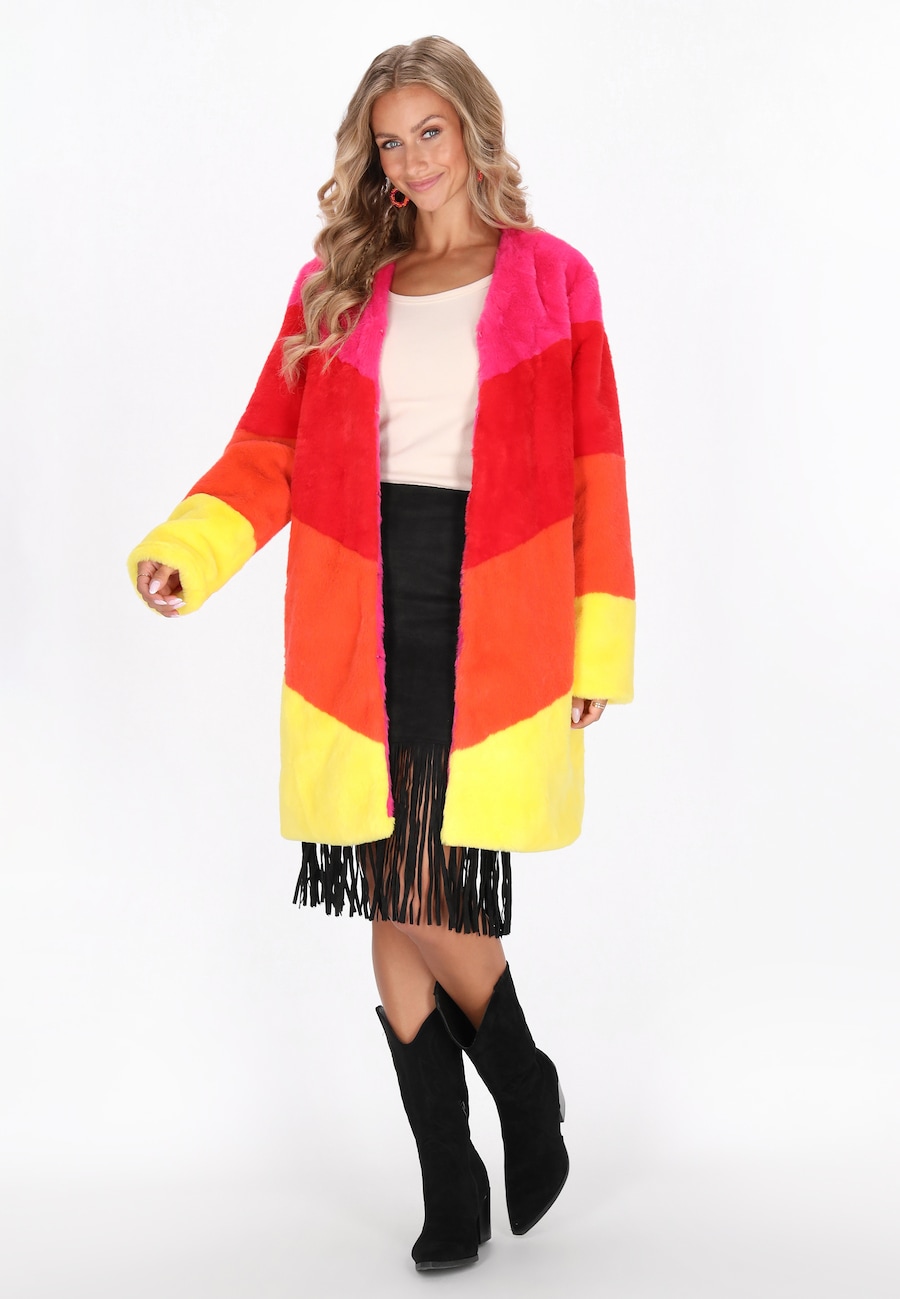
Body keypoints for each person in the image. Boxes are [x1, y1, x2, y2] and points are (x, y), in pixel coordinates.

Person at [127, 35, 635, 1273]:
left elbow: (596, 471)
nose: (411, 161)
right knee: (387, 874)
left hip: (498, 602)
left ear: (474, 131)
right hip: (359, 597)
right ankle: (456, 1165)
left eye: (430, 133)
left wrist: (597, 645)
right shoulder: (337, 288)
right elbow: (268, 454)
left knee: (418, 882)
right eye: (390, 142)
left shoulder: (554, 280)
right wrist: (189, 550)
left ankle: (519, 1089)